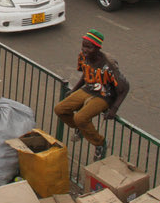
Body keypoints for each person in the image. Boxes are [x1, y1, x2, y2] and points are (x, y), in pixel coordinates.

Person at [54, 30, 129, 161]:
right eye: (83, 46)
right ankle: (82, 129)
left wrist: (114, 109)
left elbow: (124, 88)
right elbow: (85, 74)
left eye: (89, 47)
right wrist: (74, 90)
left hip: (104, 95)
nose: (85, 50)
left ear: (98, 48)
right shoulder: (83, 56)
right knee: (60, 109)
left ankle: (100, 143)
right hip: (88, 89)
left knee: (80, 118)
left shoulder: (108, 65)